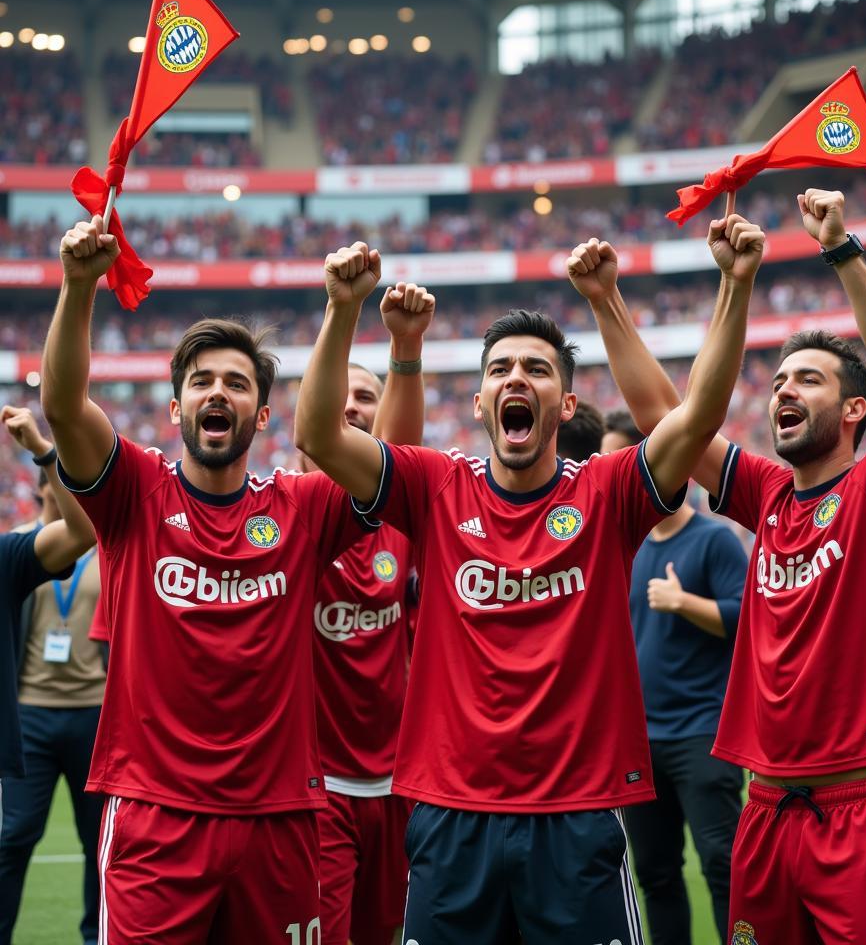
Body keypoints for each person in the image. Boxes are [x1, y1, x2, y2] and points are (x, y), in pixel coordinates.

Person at [293, 217, 764, 943]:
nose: (517, 378)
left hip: (577, 817)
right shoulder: (435, 485)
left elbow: (697, 415)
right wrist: (342, 308)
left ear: (566, 405)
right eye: (500, 369)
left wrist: (722, 286)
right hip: (452, 819)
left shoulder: (607, 494)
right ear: (481, 403)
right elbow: (319, 436)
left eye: (538, 369)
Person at [589, 192, 866, 945]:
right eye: (779, 380)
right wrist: (606, 302)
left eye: (808, 380)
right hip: (768, 806)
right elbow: (664, 418)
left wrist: (840, 247)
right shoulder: (769, 494)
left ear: (854, 412)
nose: (784, 389)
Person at [40, 215, 374, 944]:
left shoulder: (302, 507)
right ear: (175, 408)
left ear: (260, 412)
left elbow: (388, 464)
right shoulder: (134, 491)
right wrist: (77, 287)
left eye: (234, 382)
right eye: (200, 382)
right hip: (156, 817)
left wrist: (343, 313)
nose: (215, 393)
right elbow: (64, 407)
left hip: (281, 820)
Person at [304, 283, 433, 945]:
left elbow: (397, 460)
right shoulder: (283, 521)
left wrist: (404, 349)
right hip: (314, 787)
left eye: (366, 398)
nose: (350, 407)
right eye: (341, 395)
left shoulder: (400, 526)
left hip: (399, 783)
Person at [598, 412, 746, 945]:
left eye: (619, 458)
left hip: (703, 732)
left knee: (722, 865)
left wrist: (684, 602)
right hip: (639, 740)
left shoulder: (714, 541)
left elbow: (747, 617)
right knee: (655, 874)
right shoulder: (623, 542)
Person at [0, 412, 104, 945]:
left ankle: (95, 936)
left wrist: (43, 446)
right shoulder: (16, 546)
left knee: (97, 843)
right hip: (31, 712)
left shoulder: (101, 553)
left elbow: (81, 526)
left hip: (93, 710)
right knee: (14, 836)